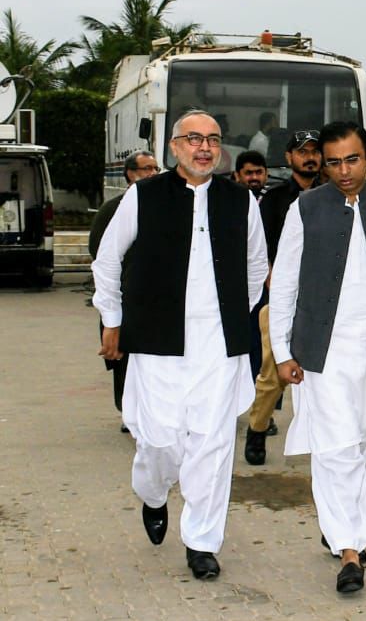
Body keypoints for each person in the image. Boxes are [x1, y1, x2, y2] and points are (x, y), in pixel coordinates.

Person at [92, 110, 268, 580]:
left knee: (211, 444)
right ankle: (153, 494)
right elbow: (107, 261)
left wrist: (233, 315)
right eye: (194, 139)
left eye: (212, 139)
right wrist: (113, 319)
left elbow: (256, 267)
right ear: (175, 147)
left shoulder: (240, 201)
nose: (204, 147)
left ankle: (202, 542)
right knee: (159, 440)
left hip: (218, 342)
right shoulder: (142, 197)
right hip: (156, 340)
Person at [270, 121, 366, 594]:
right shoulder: (305, 207)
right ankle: (350, 549)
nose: (343, 171)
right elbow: (284, 284)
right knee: (336, 444)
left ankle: (348, 530)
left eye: (352, 160)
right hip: (324, 349)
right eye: (334, 162)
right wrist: (282, 351)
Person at [243, 129, 324, 467]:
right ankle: (257, 429)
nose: (310, 157)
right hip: (279, 300)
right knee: (273, 371)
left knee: (325, 374)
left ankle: (325, 438)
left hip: (322, 301)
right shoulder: (273, 200)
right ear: (289, 157)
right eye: (302, 151)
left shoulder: (333, 196)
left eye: (315, 151)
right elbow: (256, 249)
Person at [89, 150, 160, 426]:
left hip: (153, 298)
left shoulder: (161, 206)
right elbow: (100, 253)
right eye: (146, 169)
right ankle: (127, 411)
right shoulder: (113, 208)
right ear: (130, 173)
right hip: (123, 295)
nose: (152, 173)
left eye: (155, 168)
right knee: (123, 355)